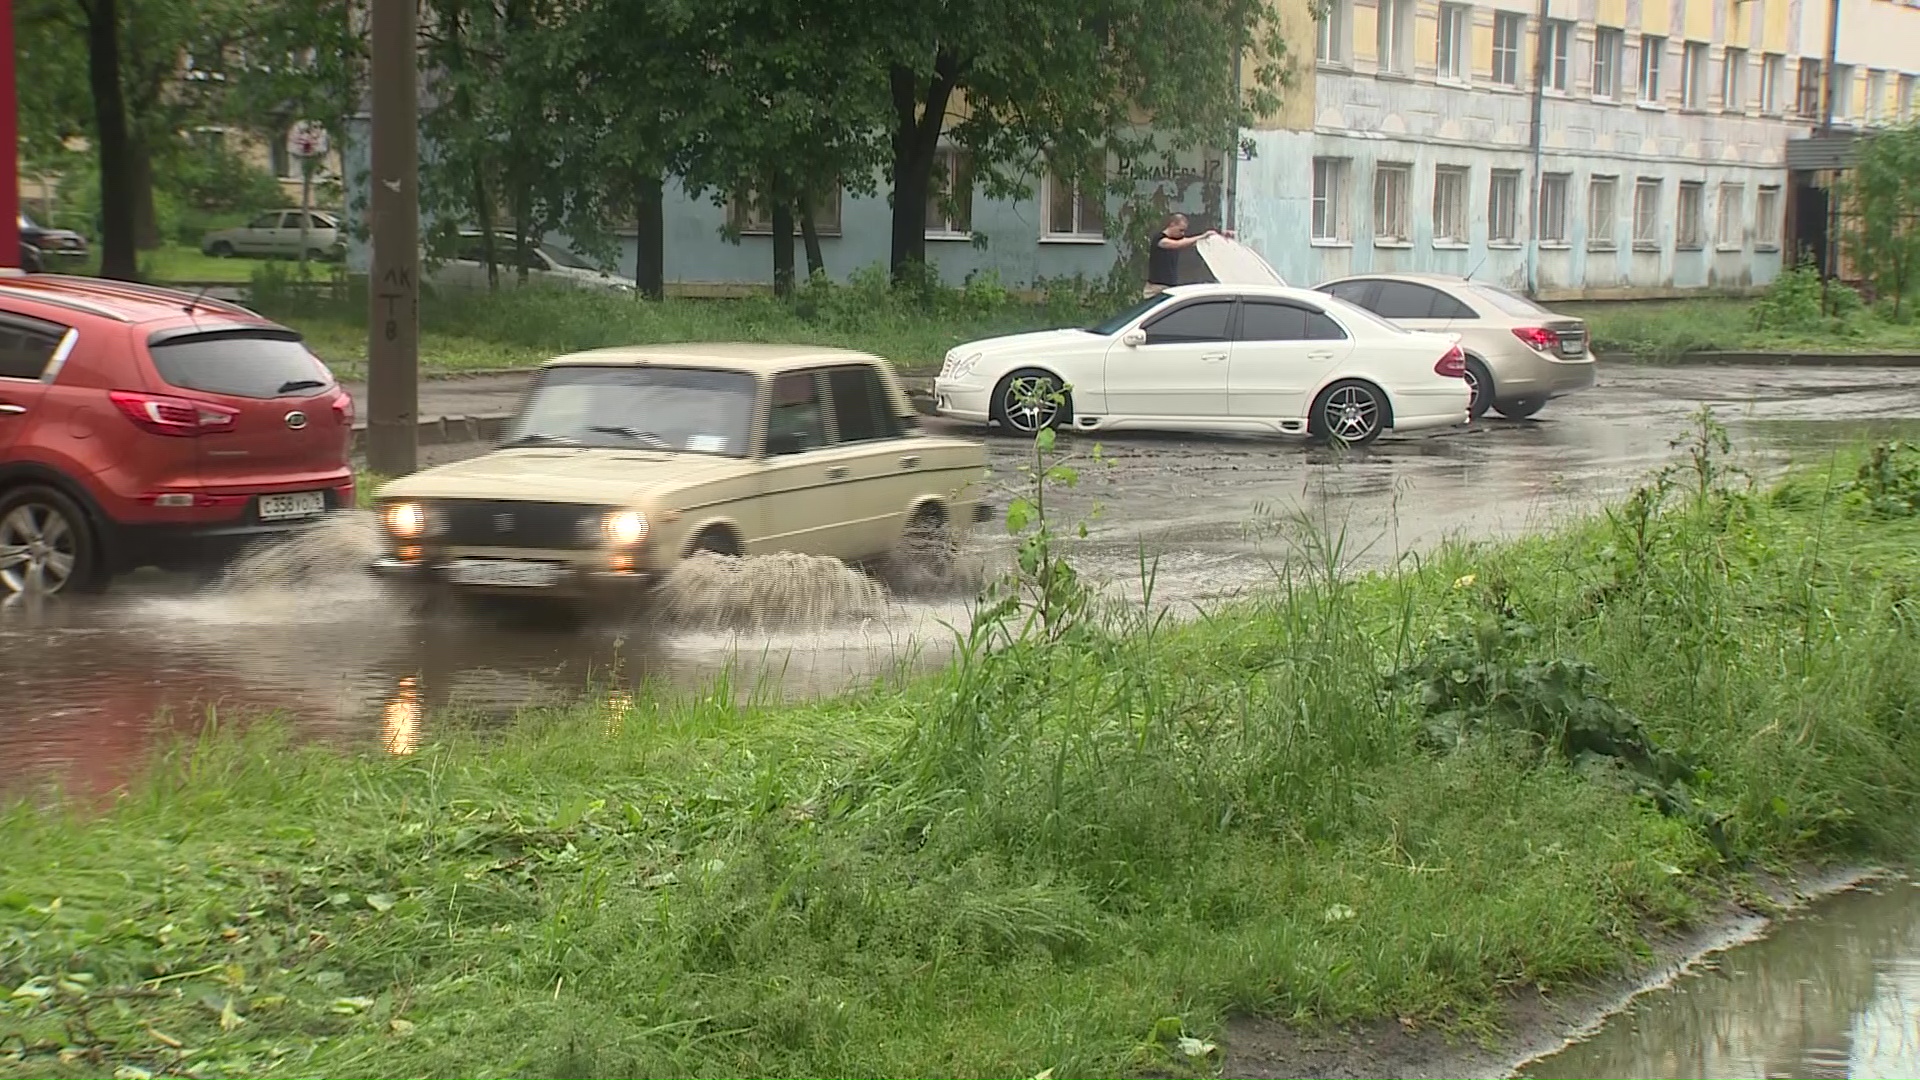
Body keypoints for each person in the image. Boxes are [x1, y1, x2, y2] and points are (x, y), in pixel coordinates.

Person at [1145, 214, 1230, 297]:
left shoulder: (1176, 238)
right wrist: (1203, 236)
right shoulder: (1160, 239)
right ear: (1172, 224)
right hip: (1156, 288)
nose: (1183, 233)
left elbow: (1190, 241)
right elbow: (1178, 244)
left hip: (1169, 287)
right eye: (1180, 230)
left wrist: (1219, 235)